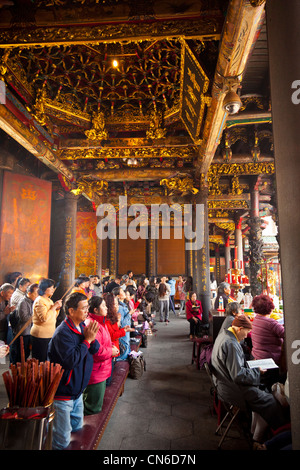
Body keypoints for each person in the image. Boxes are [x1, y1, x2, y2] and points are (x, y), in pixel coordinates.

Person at [211, 314, 288, 436]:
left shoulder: (224, 335)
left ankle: (254, 433)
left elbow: (234, 367)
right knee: (271, 401)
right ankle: (277, 435)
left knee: (264, 396)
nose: (246, 336)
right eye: (246, 332)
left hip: (224, 385)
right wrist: (258, 371)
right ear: (239, 329)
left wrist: (249, 365)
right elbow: (238, 375)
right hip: (234, 390)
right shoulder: (231, 344)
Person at [48, 292, 100, 450]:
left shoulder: (82, 325)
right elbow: (71, 361)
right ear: (71, 311)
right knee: (62, 439)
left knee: (77, 431)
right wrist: (87, 340)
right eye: (84, 308)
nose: (87, 311)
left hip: (77, 391)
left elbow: (94, 349)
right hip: (63, 394)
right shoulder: (63, 333)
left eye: (88, 308)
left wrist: (92, 337)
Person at [83, 296, 119, 415]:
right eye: (103, 306)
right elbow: (96, 351)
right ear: (95, 310)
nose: (107, 307)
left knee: (96, 405)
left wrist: (112, 346)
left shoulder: (100, 322)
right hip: (96, 371)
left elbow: (104, 342)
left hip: (102, 369)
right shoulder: (92, 324)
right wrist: (111, 351)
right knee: (92, 409)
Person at [251, 294, 285, 389]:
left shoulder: (256, 319)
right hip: (270, 361)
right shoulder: (271, 323)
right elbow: (287, 334)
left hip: (256, 356)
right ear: (270, 307)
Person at [30, 278, 62, 362]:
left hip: (49, 334)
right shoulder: (40, 301)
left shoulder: (49, 300)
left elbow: (52, 316)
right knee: (40, 360)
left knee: (47, 359)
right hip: (40, 335)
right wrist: (54, 307)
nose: (53, 289)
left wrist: (57, 308)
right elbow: (44, 318)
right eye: (51, 287)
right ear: (44, 288)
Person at [10, 283, 38, 364]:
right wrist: (37, 314)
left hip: (29, 332)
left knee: (26, 353)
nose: (37, 296)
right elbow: (24, 318)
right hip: (22, 332)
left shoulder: (33, 301)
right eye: (35, 293)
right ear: (29, 293)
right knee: (20, 354)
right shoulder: (23, 302)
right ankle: (17, 372)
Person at [112, 286, 135, 361]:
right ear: (118, 296)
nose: (124, 293)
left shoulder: (124, 305)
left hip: (125, 333)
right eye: (122, 291)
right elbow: (122, 323)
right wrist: (130, 314)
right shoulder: (120, 308)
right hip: (122, 334)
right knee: (123, 355)